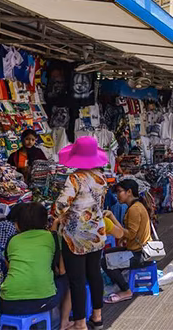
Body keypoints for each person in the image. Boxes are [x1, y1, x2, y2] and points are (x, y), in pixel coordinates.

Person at [51, 136, 109, 329]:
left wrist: (58, 216)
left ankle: (80, 323)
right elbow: (98, 204)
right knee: (94, 274)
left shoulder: (75, 179)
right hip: (97, 233)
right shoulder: (101, 177)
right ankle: (97, 316)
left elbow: (60, 205)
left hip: (75, 238)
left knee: (77, 280)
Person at [0, 202, 71, 323]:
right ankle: (64, 322)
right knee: (68, 280)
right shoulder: (51, 238)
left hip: (8, 302)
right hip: (44, 301)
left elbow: (9, 267)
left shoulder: (12, 240)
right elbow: (60, 270)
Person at [102, 179, 154, 304]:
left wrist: (112, 219)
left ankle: (125, 290)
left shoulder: (134, 209)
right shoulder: (136, 206)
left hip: (140, 254)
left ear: (129, 192)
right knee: (108, 253)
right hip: (137, 250)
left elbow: (130, 234)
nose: (117, 195)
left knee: (106, 262)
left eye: (120, 191)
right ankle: (119, 281)